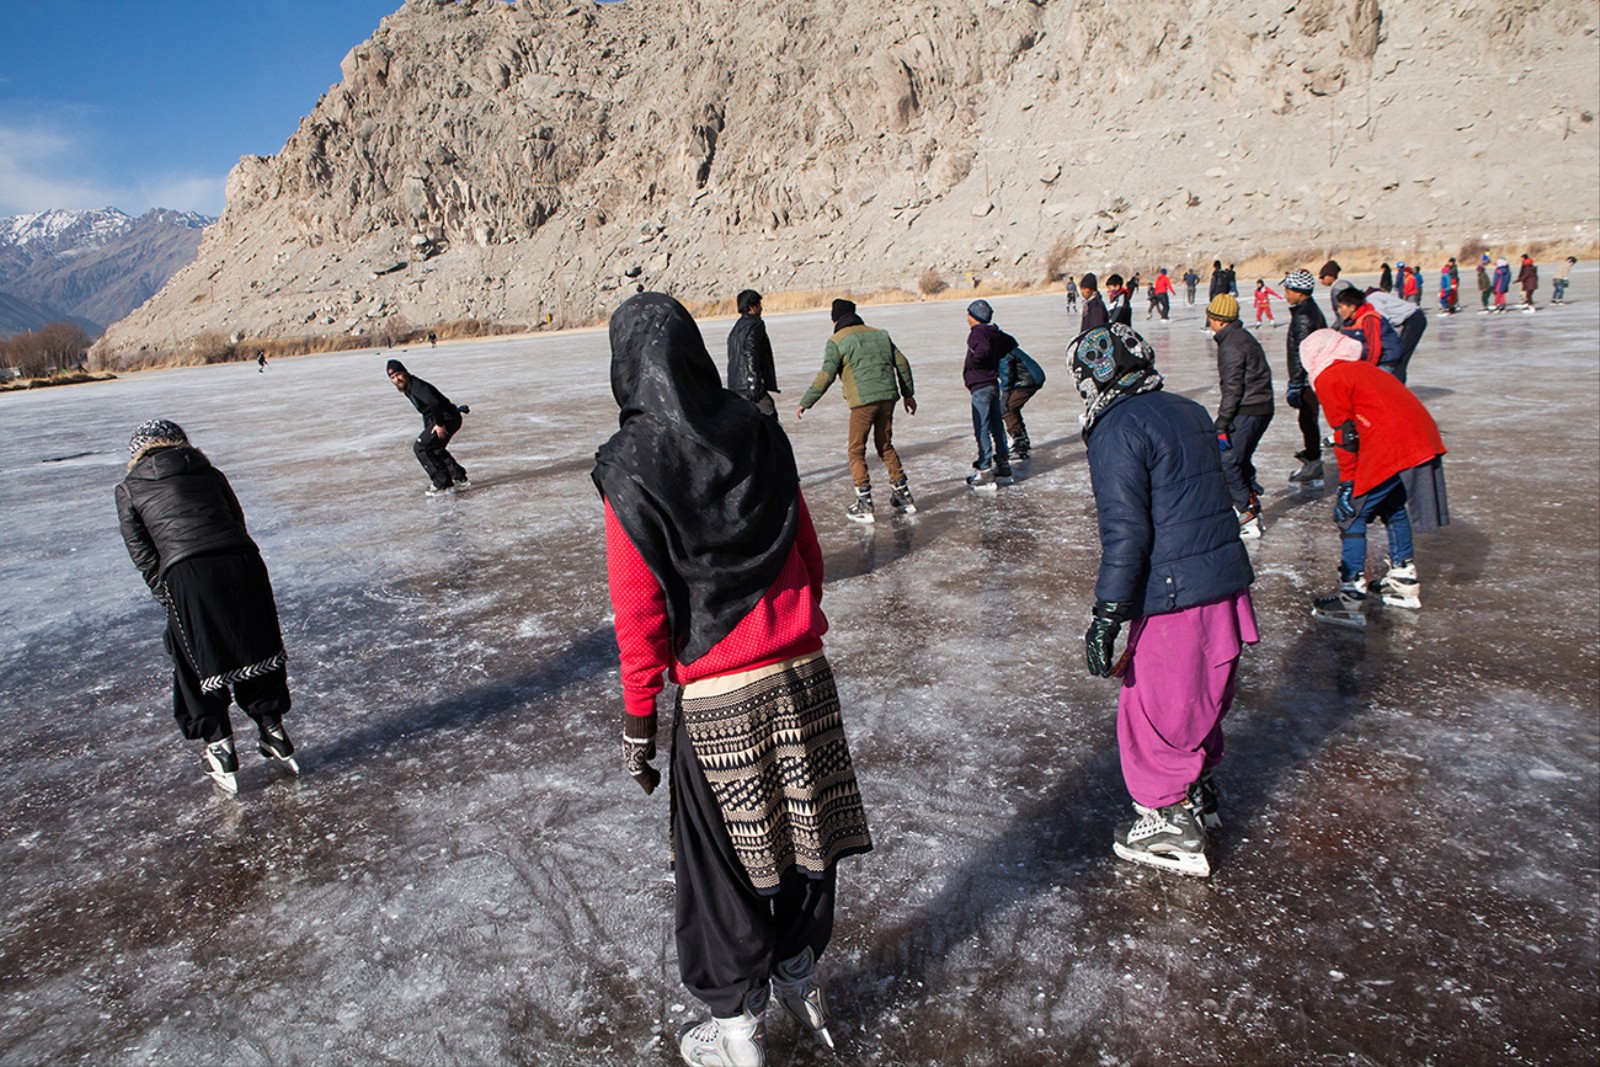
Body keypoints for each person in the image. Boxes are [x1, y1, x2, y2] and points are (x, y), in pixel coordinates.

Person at [594, 293, 873, 1067]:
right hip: (803, 672)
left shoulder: (631, 466)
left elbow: (641, 613)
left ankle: (736, 1026)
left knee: (719, 868)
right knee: (804, 836)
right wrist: (789, 627)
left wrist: (638, 726)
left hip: (720, 696)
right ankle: (798, 968)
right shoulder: (758, 431)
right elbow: (809, 555)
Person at [1070, 324, 1258, 878]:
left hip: (1177, 594)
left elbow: (1127, 534)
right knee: (1201, 696)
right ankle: (1197, 793)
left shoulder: (1115, 430)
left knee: (1153, 709)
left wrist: (1107, 616)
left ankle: (1170, 819)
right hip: (1221, 579)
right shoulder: (1188, 410)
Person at [115, 420, 297, 795]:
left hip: (188, 571)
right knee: (254, 645)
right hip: (242, 562)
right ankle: (272, 729)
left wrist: (169, 597)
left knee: (195, 657)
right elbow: (236, 520)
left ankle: (219, 747)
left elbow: (143, 554)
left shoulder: (129, 488)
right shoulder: (209, 473)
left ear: (137, 452)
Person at [1300, 330, 1449, 628]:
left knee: (1352, 514)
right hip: (1419, 438)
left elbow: (1346, 436)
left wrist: (1347, 484)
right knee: (1392, 506)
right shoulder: (1361, 369)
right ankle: (1403, 576)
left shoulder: (1331, 378)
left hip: (1394, 444)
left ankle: (1350, 594)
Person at [795, 298, 917, 523]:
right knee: (885, 446)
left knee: (855, 450)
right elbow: (902, 362)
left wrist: (806, 401)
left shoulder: (837, 340)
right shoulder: (880, 334)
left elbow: (826, 375)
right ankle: (903, 495)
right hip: (888, 397)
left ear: (835, 319)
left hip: (863, 402)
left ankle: (864, 502)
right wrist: (908, 394)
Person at [1206, 294, 1274, 540]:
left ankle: (1246, 512)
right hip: (1260, 407)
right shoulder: (1240, 338)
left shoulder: (1231, 345)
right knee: (1239, 459)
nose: (1209, 324)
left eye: (1211, 319)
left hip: (1249, 409)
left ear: (1220, 321)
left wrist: (1222, 422)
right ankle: (1251, 504)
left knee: (1228, 460)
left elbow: (1232, 387)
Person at [387, 359, 470, 495]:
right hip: (446, 418)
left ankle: (442, 482)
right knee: (434, 447)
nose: (397, 379)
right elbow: (427, 411)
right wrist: (428, 429)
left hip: (448, 419)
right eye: (393, 377)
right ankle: (458, 475)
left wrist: (439, 424)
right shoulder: (408, 387)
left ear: (405, 372)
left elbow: (434, 403)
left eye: (398, 374)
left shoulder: (416, 386)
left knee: (420, 448)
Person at [962, 299, 1015, 488]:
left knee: (982, 428)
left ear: (975, 317)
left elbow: (982, 351)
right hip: (993, 384)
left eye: (969, 314)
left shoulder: (978, 333)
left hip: (981, 386)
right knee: (996, 426)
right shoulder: (993, 332)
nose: (967, 318)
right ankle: (1003, 465)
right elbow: (1011, 342)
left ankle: (985, 469)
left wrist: (975, 364)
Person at [1282, 270, 1327, 487]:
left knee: (1308, 419)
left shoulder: (1303, 316)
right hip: (1312, 375)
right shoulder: (1309, 309)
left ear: (1300, 293)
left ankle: (1314, 462)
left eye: (1289, 290)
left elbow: (1302, 351)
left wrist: (1297, 383)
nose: (1286, 294)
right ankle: (1312, 455)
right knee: (1307, 419)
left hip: (1309, 377)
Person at [726, 288, 780, 418]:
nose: (761, 308)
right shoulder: (755, 325)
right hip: (749, 386)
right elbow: (751, 352)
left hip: (735, 385)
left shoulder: (736, 328)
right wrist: (753, 380)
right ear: (751, 307)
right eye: (759, 305)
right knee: (769, 415)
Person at [1361, 284, 1428, 383]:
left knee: (1400, 356)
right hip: (1412, 319)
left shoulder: (1372, 299)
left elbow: (1383, 318)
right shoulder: (1375, 296)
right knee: (1400, 355)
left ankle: (1398, 386)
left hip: (1413, 319)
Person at [1333, 284, 1402, 375]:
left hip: (1385, 360)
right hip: (1369, 360)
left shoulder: (1370, 319)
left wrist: (1368, 370)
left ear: (1352, 308)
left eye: (1341, 307)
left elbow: (1374, 348)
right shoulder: (1350, 322)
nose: (1339, 311)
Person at [999, 337, 1046, 463]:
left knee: (1007, 409)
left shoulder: (1003, 352)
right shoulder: (1007, 347)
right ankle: (1021, 439)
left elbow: (1007, 375)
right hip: (1031, 378)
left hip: (1028, 381)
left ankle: (1019, 441)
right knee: (1013, 407)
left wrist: (1004, 395)